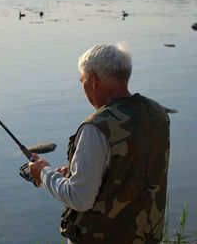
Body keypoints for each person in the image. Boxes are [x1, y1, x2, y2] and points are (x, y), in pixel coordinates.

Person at [29, 43, 170, 243]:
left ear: (93, 80)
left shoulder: (96, 128)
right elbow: (131, 164)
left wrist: (43, 173)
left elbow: (80, 199)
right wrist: (76, 171)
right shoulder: (157, 113)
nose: (83, 87)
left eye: (82, 80)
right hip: (147, 236)